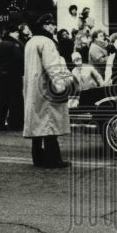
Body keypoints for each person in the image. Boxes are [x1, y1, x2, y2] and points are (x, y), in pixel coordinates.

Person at [23, 14, 74, 168]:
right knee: (50, 123)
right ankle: (53, 159)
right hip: (46, 87)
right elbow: (52, 66)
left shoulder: (31, 42)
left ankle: (37, 157)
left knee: (37, 123)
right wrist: (61, 86)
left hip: (33, 87)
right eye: (50, 24)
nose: (53, 27)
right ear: (44, 26)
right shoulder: (47, 42)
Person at [0, 25, 26, 131]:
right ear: (12, 33)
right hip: (13, 75)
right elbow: (19, 59)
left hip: (1, 75)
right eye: (16, 32)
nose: (18, 34)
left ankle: (0, 122)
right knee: (15, 99)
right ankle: (15, 123)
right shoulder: (14, 45)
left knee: (3, 99)